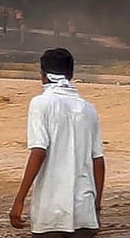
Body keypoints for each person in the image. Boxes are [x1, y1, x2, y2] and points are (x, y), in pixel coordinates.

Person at [10, 48, 105, 237]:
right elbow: (98, 161)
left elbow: (39, 151)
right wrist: (96, 206)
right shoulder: (88, 108)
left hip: (51, 212)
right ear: (70, 74)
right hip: (83, 211)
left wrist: (19, 199)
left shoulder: (41, 103)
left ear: (43, 75)